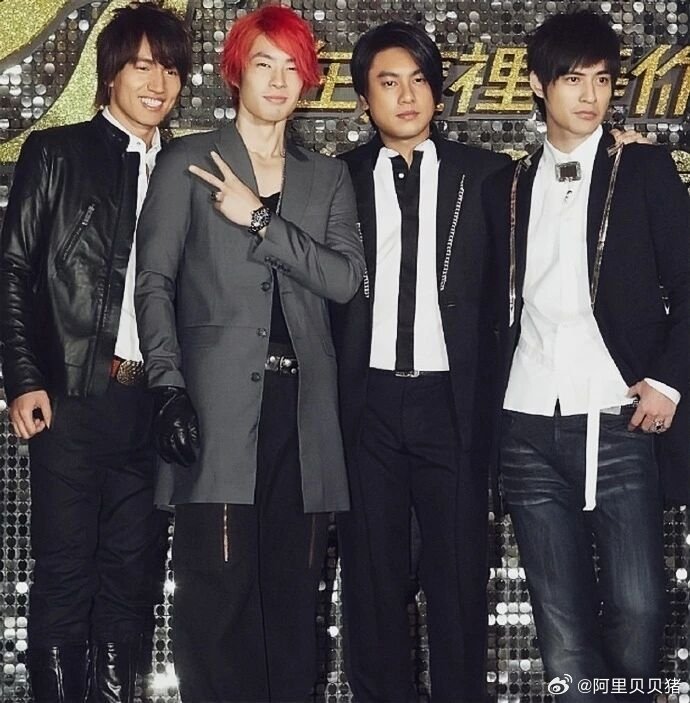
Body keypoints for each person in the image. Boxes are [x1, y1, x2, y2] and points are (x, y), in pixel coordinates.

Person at [134, 5, 364, 702]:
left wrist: (261, 219)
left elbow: (345, 280)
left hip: (304, 412)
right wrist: (167, 384)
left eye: (293, 66)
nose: (279, 79)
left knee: (294, 599)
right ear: (237, 71)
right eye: (265, 63)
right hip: (215, 409)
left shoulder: (327, 177)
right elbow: (154, 283)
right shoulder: (186, 161)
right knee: (217, 595)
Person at [483, 10, 689, 702]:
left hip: (620, 417)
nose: (590, 95)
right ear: (539, 86)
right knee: (562, 628)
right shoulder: (508, 185)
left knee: (639, 607)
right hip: (527, 424)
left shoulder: (643, 168)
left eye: (602, 80)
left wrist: (667, 381)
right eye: (573, 80)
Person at [0, 3, 191, 701]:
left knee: (130, 581)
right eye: (142, 66)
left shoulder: (187, 167)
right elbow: (14, 270)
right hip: (73, 397)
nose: (157, 83)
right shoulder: (57, 153)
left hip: (151, 404)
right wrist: (24, 377)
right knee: (65, 574)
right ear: (110, 74)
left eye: (170, 69)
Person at [329, 21, 509, 703]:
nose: (406, 96)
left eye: (419, 80)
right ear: (364, 99)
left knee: (458, 583)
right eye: (388, 82)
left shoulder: (488, 175)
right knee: (371, 585)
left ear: (437, 92)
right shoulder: (336, 178)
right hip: (366, 405)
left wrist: (620, 150)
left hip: (452, 404)